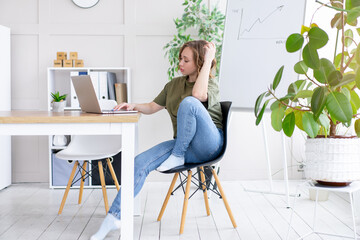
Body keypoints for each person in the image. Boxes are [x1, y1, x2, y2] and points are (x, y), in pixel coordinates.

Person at [90, 40, 224, 240]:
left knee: (190, 102)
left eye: (186, 60)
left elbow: (198, 94)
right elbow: (153, 107)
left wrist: (208, 61)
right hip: (184, 144)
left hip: (209, 145)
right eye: (180, 58)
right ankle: (114, 217)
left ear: (199, 62)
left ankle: (177, 155)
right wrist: (132, 105)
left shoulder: (208, 82)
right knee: (139, 163)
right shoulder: (173, 85)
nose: (180, 63)